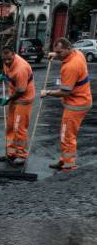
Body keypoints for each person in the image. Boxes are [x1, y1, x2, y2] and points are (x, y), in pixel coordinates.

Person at [40, 38, 92, 170]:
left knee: (67, 135)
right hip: (83, 99)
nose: (58, 54)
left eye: (59, 52)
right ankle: (64, 160)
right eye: (56, 51)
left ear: (68, 49)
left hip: (76, 104)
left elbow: (65, 92)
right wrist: (56, 55)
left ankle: (69, 166)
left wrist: (47, 92)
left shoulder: (70, 67)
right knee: (66, 133)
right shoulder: (77, 53)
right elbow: (64, 55)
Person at [0, 47, 36, 166]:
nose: (7, 62)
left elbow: (21, 91)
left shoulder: (21, 68)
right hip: (14, 95)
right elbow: (6, 72)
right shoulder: (5, 62)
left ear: (14, 55)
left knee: (19, 127)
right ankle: (11, 153)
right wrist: (4, 76)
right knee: (10, 126)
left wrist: (8, 99)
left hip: (23, 98)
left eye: (9, 59)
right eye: (4, 60)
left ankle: (22, 155)